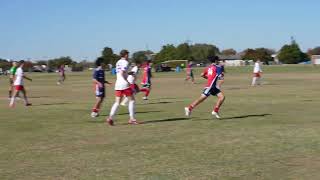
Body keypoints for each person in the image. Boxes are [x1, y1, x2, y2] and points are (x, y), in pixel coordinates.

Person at [106, 50, 138, 126]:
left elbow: (121, 72)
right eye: (128, 55)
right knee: (132, 100)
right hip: (124, 84)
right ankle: (132, 119)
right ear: (125, 55)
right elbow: (122, 73)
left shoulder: (118, 62)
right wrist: (128, 81)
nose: (128, 56)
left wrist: (129, 73)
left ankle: (110, 118)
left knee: (117, 102)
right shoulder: (125, 62)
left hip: (118, 84)